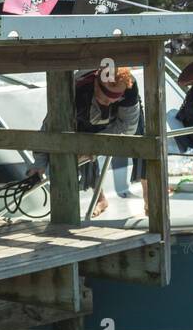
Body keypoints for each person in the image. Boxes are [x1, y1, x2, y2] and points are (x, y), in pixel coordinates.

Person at [30, 66, 142, 218]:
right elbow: (49, 125)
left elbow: (128, 128)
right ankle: (98, 198)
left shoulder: (129, 89)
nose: (107, 103)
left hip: (120, 118)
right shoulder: (76, 89)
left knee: (143, 141)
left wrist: (92, 148)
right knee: (76, 144)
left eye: (113, 100)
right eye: (104, 99)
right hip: (85, 112)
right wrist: (39, 163)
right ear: (96, 84)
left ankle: (149, 204)